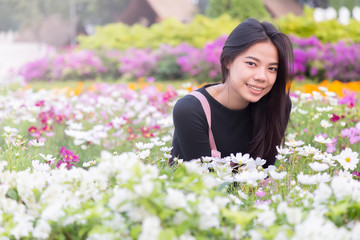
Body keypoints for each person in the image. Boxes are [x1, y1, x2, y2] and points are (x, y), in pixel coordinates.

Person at [170, 18, 294, 168]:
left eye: (272, 68)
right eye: (251, 64)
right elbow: (203, 183)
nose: (262, 76)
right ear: (228, 60)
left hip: (250, 191)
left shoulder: (278, 104)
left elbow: (265, 173)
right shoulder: (191, 110)